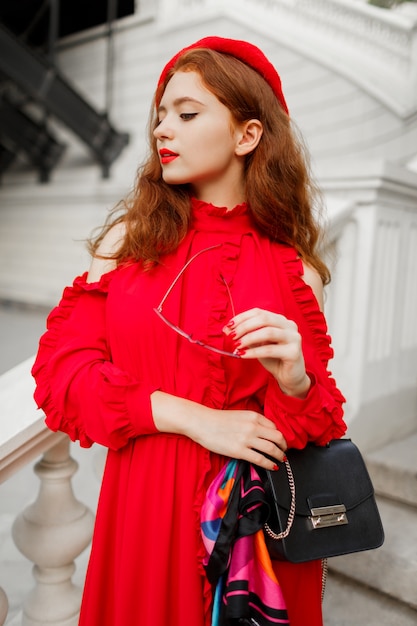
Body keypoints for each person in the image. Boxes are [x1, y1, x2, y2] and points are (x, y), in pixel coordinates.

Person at [32, 36, 347, 626]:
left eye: (186, 113)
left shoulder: (294, 270)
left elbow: (312, 427)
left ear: (247, 135)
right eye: (159, 116)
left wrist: (296, 381)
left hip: (255, 540)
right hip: (144, 519)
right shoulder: (127, 243)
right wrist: (194, 418)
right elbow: (61, 376)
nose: (162, 131)